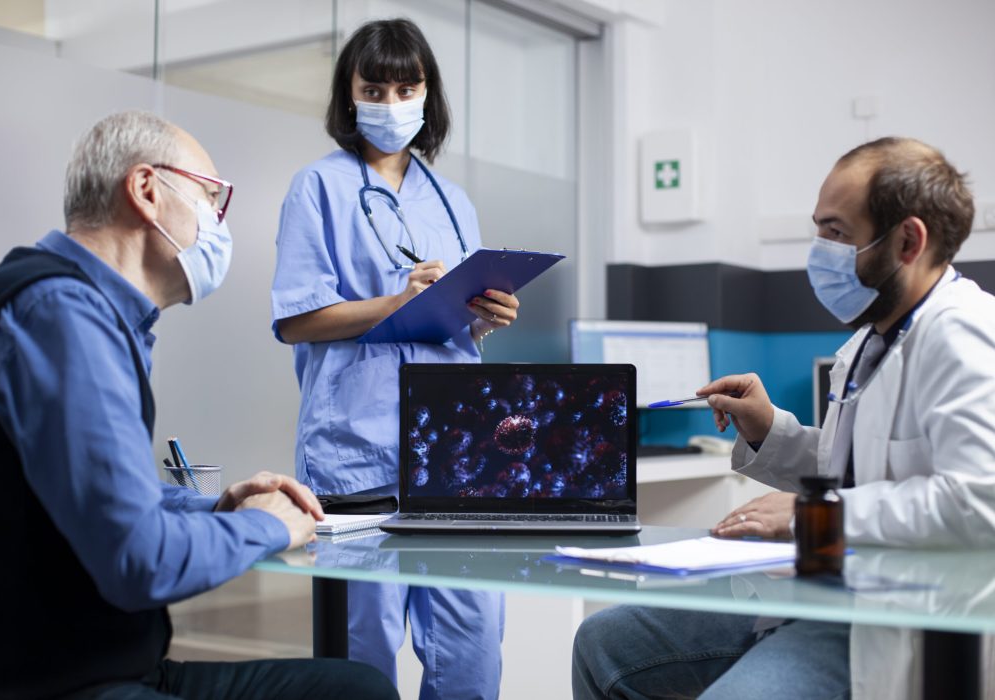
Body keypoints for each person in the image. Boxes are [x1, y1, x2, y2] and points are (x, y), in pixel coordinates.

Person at [572, 137, 995, 700]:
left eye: (837, 232)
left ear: (908, 241)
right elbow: (859, 470)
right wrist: (768, 427)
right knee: (606, 641)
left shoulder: (963, 333)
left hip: (891, 616)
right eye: (817, 228)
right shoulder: (875, 339)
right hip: (821, 591)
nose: (819, 250)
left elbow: (979, 500)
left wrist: (811, 515)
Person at [0, 111, 397, 700]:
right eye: (212, 199)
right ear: (147, 191)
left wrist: (215, 509)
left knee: (353, 688)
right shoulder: (62, 316)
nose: (218, 223)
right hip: (64, 683)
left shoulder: (79, 311)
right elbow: (138, 559)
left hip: (112, 662)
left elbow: (96, 498)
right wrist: (267, 526)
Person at [270, 18, 518, 700]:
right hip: (357, 454)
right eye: (374, 87)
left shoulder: (452, 200)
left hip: (457, 458)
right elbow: (295, 320)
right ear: (349, 96)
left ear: (427, 94)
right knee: (360, 665)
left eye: (406, 86)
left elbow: (450, 325)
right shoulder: (316, 188)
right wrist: (393, 302)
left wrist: (484, 315)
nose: (391, 100)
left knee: (472, 655)